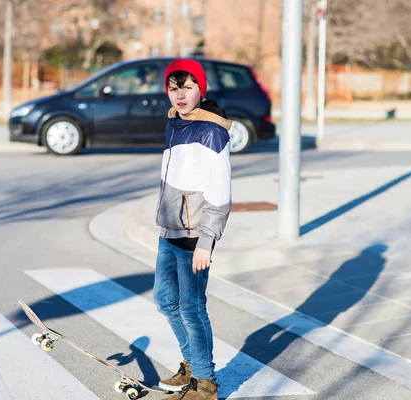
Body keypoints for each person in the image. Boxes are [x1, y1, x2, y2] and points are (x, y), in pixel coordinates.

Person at [153, 59, 232, 400]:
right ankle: (192, 364)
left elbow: (221, 192)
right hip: (170, 231)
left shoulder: (211, 131)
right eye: (174, 88)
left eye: (187, 87)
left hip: (194, 235)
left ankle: (205, 383)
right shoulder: (175, 124)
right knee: (164, 300)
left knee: (192, 307)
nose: (180, 95)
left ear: (201, 88)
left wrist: (206, 243)